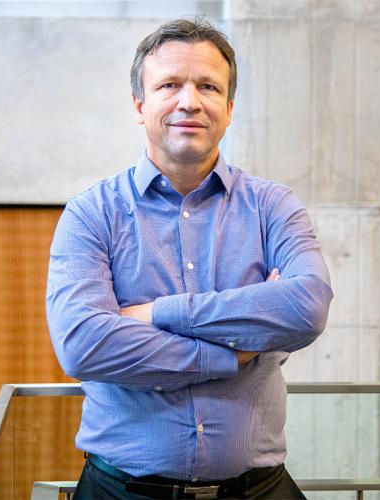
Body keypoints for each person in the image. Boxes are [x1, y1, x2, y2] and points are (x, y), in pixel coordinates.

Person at [46, 17, 333, 499]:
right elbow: (84, 344)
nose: (190, 101)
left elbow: (306, 307)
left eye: (208, 86)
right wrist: (234, 352)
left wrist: (158, 314)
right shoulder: (91, 213)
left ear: (229, 106)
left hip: (259, 490)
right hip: (120, 491)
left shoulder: (273, 206)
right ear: (140, 104)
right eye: (169, 85)